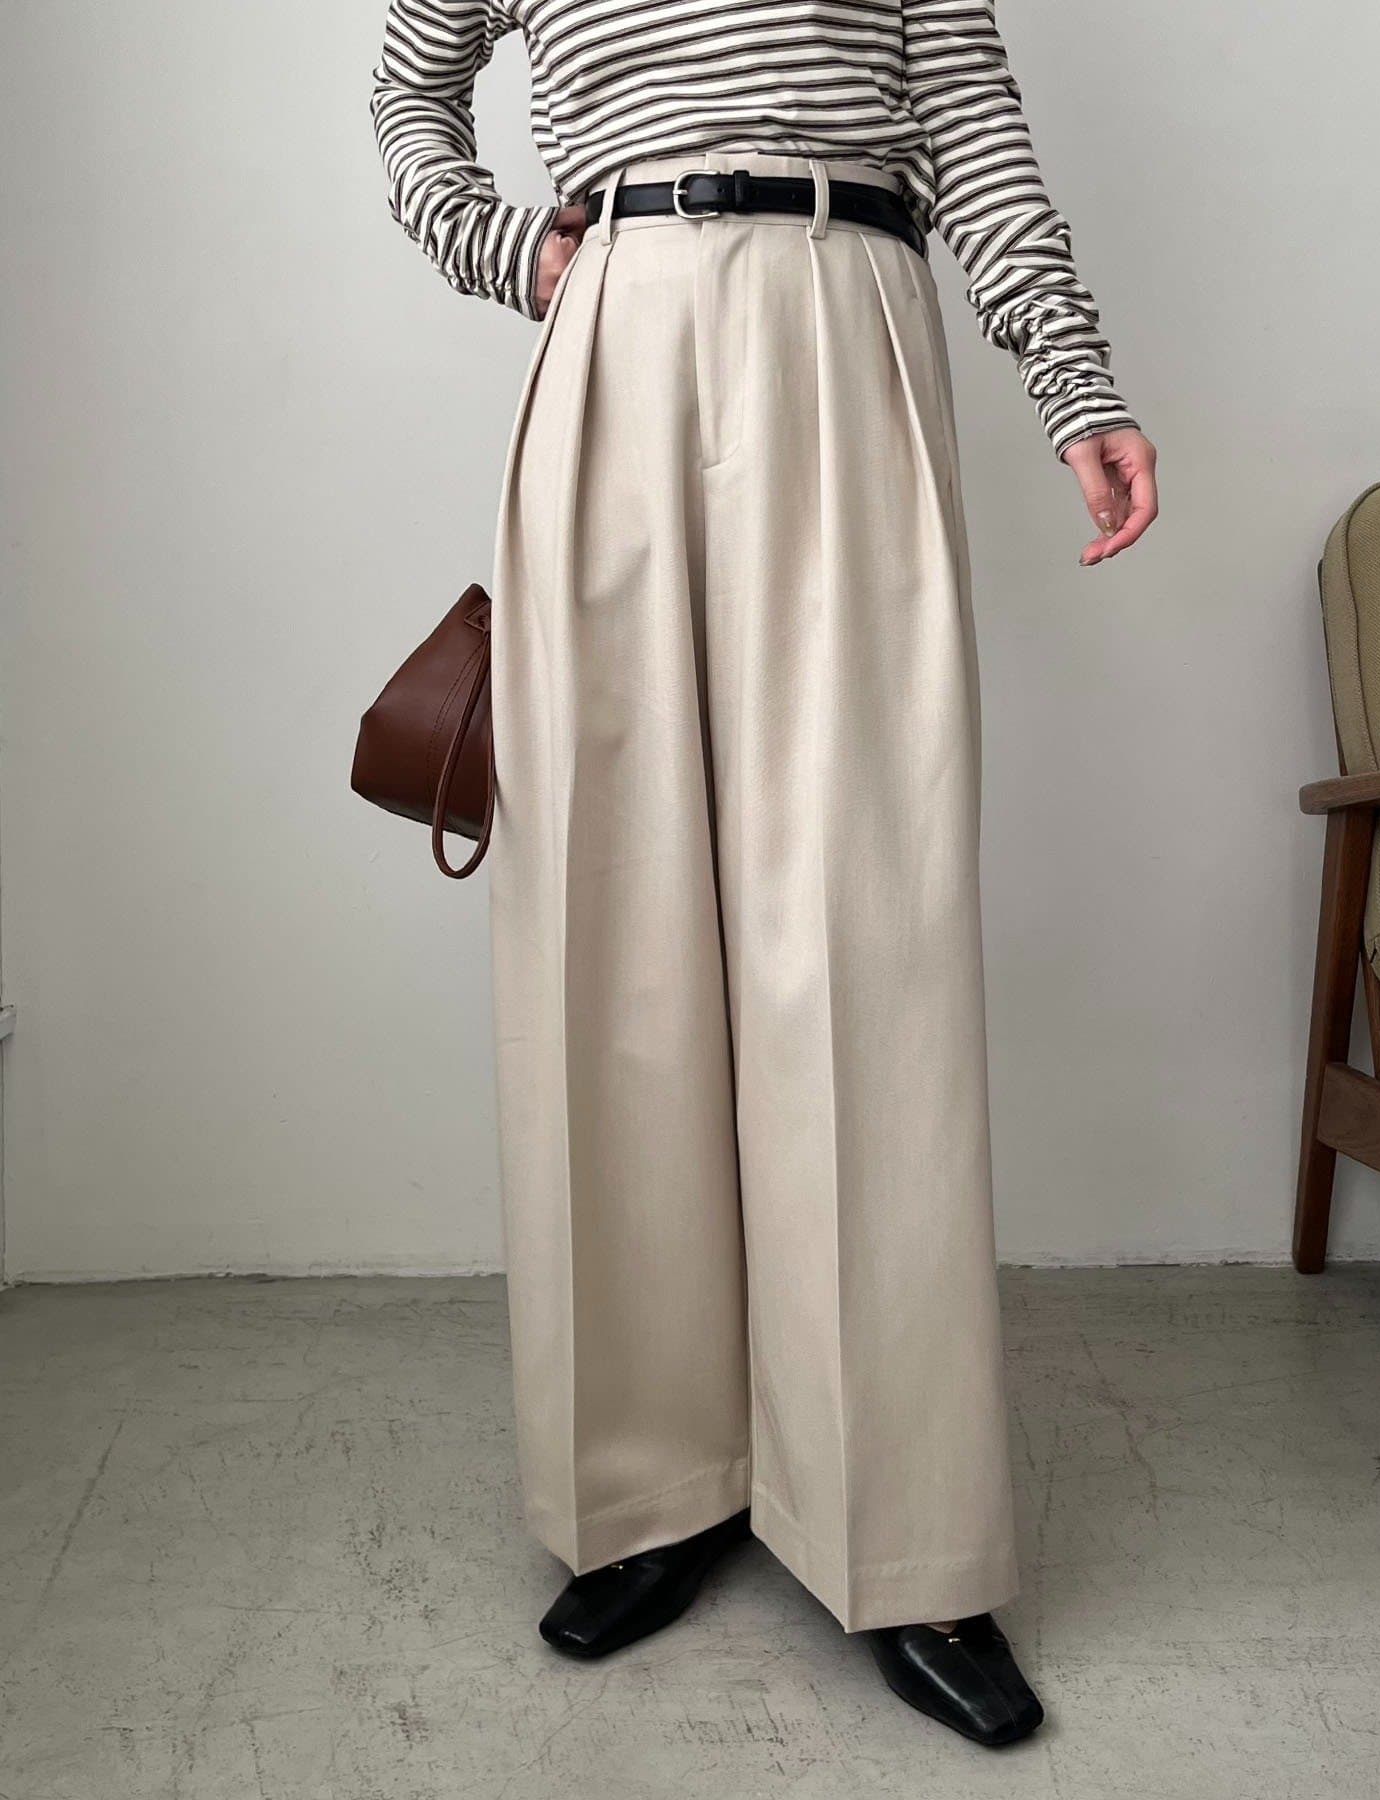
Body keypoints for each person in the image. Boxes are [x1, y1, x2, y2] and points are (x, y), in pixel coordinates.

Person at [372, 0, 1157, 1748]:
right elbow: (411, 85)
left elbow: (966, 108)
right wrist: (508, 247)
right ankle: (651, 1485)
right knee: (614, 929)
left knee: (866, 928)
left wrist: (1074, 380)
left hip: (846, 302)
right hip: (619, 318)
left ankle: (907, 1539)